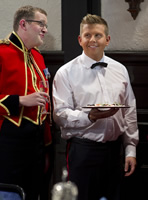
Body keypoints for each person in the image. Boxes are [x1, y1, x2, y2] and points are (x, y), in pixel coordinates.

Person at [52, 14, 139, 200]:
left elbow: (129, 111)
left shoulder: (120, 69)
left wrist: (130, 149)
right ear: (80, 39)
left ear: (107, 40)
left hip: (115, 151)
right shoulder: (65, 73)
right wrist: (89, 117)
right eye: (87, 35)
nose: (92, 40)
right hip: (83, 150)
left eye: (98, 35)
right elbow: (59, 115)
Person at [0, 5, 52, 200]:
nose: (45, 29)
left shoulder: (38, 57)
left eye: (46, 25)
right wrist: (21, 101)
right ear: (23, 24)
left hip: (38, 141)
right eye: (40, 23)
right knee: (7, 195)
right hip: (9, 140)